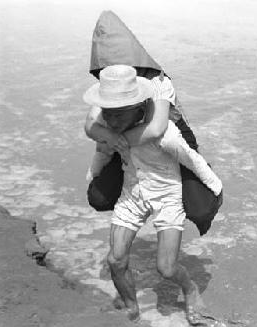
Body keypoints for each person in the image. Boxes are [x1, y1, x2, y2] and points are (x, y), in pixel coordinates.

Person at [83, 64, 212, 324]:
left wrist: (213, 187)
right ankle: (131, 308)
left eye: (119, 115)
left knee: (166, 268)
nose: (112, 121)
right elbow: (99, 146)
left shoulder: (164, 130)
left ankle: (189, 288)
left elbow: (192, 160)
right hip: (133, 192)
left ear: (139, 107)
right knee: (115, 260)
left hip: (167, 194)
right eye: (107, 113)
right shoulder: (109, 125)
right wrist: (95, 174)